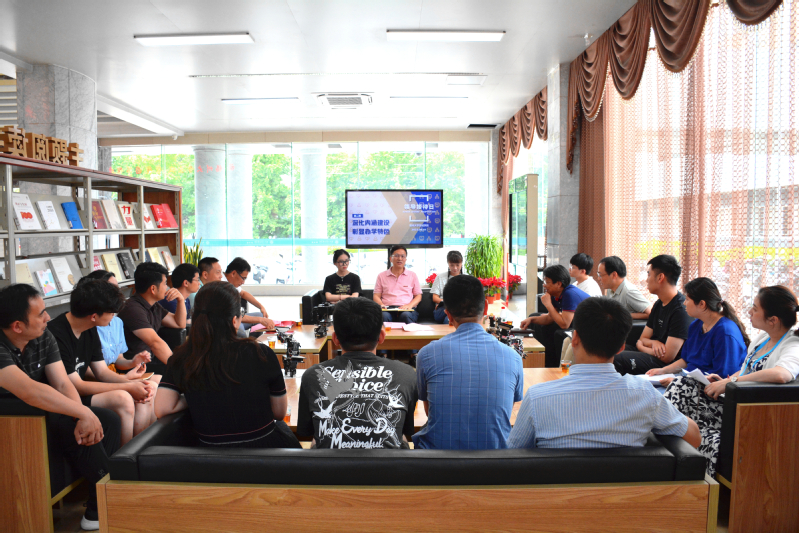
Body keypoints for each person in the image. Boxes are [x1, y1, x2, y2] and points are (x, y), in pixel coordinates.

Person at [0, 284, 121, 531]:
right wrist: (82, 412)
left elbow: (63, 383)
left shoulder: (43, 335)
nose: (48, 317)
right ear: (17, 326)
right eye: (40, 314)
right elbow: (29, 390)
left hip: (39, 411)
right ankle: (109, 501)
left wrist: (82, 416)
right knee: (80, 419)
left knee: (108, 419)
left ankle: (97, 505)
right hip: (11, 419)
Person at [507, 297, 701, 450]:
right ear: (621, 347)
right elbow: (694, 438)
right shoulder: (645, 394)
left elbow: (513, 455)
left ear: (575, 338)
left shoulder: (537, 398)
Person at [664, 286, 799, 476]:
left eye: (755, 309)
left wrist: (732, 382)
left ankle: (663, 447)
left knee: (680, 391)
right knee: (683, 384)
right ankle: (665, 446)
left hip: (750, 414)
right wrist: (724, 380)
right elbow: (745, 369)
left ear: (773, 320)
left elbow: (781, 374)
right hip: (732, 401)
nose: (749, 312)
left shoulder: (793, 344)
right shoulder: (763, 338)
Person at [155, 282, 301, 448]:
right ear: (234, 321)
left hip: (210, 456)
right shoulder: (261, 353)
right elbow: (279, 413)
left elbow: (163, 408)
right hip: (263, 451)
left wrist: (194, 393)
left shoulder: (182, 357)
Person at [413, 275, 523, 449]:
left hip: (438, 459)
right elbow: (506, 411)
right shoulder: (513, 357)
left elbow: (430, 412)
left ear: (447, 314)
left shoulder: (426, 354)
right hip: (496, 459)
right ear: (485, 307)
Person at [297, 297, 418, 449]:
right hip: (387, 464)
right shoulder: (406, 373)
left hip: (329, 464)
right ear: (381, 336)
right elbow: (406, 428)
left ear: (335, 339)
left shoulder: (312, 375)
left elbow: (306, 433)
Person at [48, 280, 156, 445]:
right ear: (93, 316)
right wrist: (128, 386)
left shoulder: (89, 328)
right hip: (66, 397)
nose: (113, 318)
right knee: (123, 398)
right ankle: (124, 455)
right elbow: (76, 385)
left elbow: (102, 372)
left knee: (148, 387)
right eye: (111, 313)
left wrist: (132, 383)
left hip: (79, 390)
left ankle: (139, 449)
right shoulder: (56, 334)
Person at [646, 277, 749, 385]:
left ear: (702, 304)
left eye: (687, 299)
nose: (684, 303)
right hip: (688, 381)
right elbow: (686, 360)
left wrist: (680, 382)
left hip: (710, 387)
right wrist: (663, 371)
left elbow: (721, 377)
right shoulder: (695, 325)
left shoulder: (725, 332)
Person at [613, 255, 692, 375]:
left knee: (615, 358)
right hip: (651, 352)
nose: (646, 280)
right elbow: (643, 338)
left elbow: (667, 357)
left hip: (665, 364)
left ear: (660, 277)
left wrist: (641, 346)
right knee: (609, 350)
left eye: (649, 274)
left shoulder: (680, 310)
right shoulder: (659, 303)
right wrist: (652, 343)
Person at [117, 262, 186, 379]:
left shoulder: (153, 305)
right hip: (136, 367)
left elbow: (179, 323)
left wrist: (181, 300)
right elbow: (155, 343)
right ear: (153, 289)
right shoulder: (133, 309)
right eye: (165, 283)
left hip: (150, 361)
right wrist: (178, 368)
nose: (167, 287)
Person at [520, 264, 590, 367]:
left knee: (559, 333)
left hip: (588, 327)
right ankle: (545, 360)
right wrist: (531, 319)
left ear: (558, 284)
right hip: (575, 323)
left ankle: (555, 365)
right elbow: (549, 318)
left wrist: (548, 305)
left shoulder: (570, 294)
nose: (544, 285)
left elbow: (564, 325)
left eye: (547, 282)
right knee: (538, 321)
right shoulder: (555, 294)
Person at [83, 270, 152, 374]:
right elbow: (88, 371)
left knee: (157, 379)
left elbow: (118, 360)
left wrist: (133, 362)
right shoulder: (88, 325)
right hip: (98, 378)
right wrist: (123, 380)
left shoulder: (117, 322)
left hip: (112, 375)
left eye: (117, 288)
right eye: (112, 288)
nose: (117, 293)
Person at [223, 257, 275, 336]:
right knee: (242, 332)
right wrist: (260, 320)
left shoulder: (232, 283)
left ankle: (253, 342)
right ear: (233, 273)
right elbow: (234, 315)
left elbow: (243, 293)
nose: (243, 282)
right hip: (231, 321)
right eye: (243, 278)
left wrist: (261, 306)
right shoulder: (222, 287)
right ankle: (247, 342)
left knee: (261, 315)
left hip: (238, 318)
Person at [373, 245, 422, 324]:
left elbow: (418, 296)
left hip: (407, 309)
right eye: (396, 256)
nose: (399, 259)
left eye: (402, 256)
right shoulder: (381, 276)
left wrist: (410, 305)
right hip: (387, 308)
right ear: (390, 259)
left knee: (405, 315)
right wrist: (381, 305)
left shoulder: (412, 275)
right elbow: (376, 296)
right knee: (384, 316)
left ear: (405, 259)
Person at [430, 250, 463, 324]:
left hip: (460, 309)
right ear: (448, 263)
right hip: (443, 309)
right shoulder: (440, 277)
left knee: (448, 319)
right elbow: (435, 297)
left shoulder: (467, 278)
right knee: (451, 315)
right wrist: (446, 303)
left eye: (457, 265)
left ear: (461, 263)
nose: (455, 268)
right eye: (452, 265)